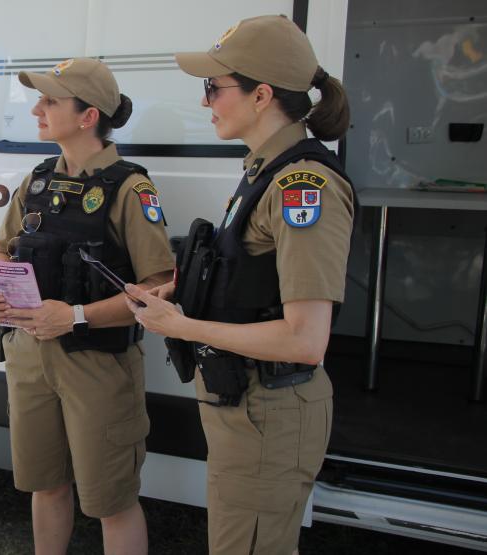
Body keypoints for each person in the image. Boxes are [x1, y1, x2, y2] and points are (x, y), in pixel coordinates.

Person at [124, 15, 354, 555]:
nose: (206, 102)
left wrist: (182, 326)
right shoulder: (264, 169)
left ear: (261, 96)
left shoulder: (304, 185)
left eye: (214, 87)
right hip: (248, 408)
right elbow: (248, 284)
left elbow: (305, 339)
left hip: (268, 413)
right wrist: (177, 296)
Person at [0, 58, 174, 555]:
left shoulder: (130, 188)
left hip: (98, 365)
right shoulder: (37, 182)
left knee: (112, 503)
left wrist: (77, 315)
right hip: (30, 359)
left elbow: (159, 287)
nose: (37, 109)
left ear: (89, 117)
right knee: (46, 484)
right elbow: (4, 250)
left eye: (50, 101)